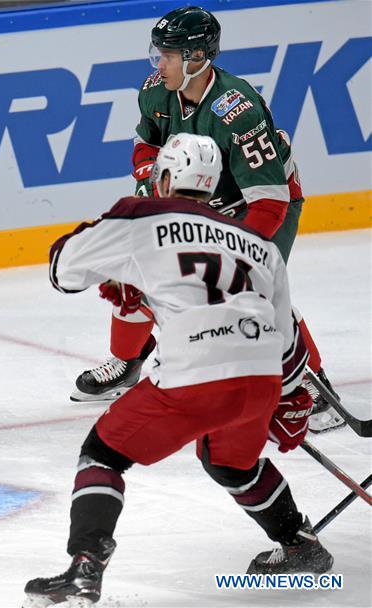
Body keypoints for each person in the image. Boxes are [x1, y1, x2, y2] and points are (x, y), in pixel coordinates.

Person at [23, 133, 332, 607]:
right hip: (263, 376)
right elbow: (284, 327)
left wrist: (118, 272)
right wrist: (292, 397)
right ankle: (300, 546)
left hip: (195, 370)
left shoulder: (143, 213)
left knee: (103, 453)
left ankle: (85, 568)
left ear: (165, 178)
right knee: (231, 463)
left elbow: (62, 269)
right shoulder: (258, 242)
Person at [69, 5, 343, 433]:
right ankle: (127, 362)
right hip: (204, 203)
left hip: (263, 202)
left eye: (168, 55)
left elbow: (268, 200)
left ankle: (313, 384)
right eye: (157, 54)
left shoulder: (239, 111)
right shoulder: (156, 91)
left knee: (255, 289)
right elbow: (144, 147)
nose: (159, 64)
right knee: (139, 272)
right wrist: (150, 183)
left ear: (197, 58)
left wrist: (236, 259)